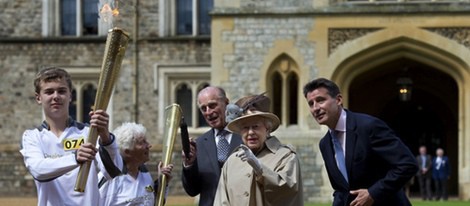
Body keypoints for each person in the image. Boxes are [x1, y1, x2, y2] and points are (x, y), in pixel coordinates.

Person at [303, 78, 418, 206]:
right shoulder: (325, 144)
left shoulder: (368, 126)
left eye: (320, 100)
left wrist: (373, 193)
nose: (315, 108)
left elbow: (407, 164)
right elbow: (341, 190)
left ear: (339, 100)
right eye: (311, 103)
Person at [19, 67, 123, 206]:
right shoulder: (32, 137)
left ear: (70, 95)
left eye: (61, 91)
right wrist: (75, 158)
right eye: (49, 92)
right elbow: (38, 170)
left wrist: (105, 137)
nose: (56, 96)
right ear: (38, 98)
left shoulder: (88, 133)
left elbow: (114, 171)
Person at [214, 94, 304, 205]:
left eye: (256, 126)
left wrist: (260, 169)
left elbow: (288, 192)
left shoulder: (286, 156)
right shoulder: (232, 161)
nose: (250, 132)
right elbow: (221, 201)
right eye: (245, 128)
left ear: (267, 128)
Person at [181, 86, 244, 206]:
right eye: (203, 108)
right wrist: (189, 165)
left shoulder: (246, 137)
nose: (208, 112)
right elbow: (192, 190)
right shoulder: (199, 144)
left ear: (226, 103)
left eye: (212, 105)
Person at [99, 122, 174, 206]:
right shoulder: (109, 178)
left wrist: (162, 182)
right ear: (127, 151)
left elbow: (153, 202)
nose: (149, 145)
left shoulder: (144, 172)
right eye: (142, 142)